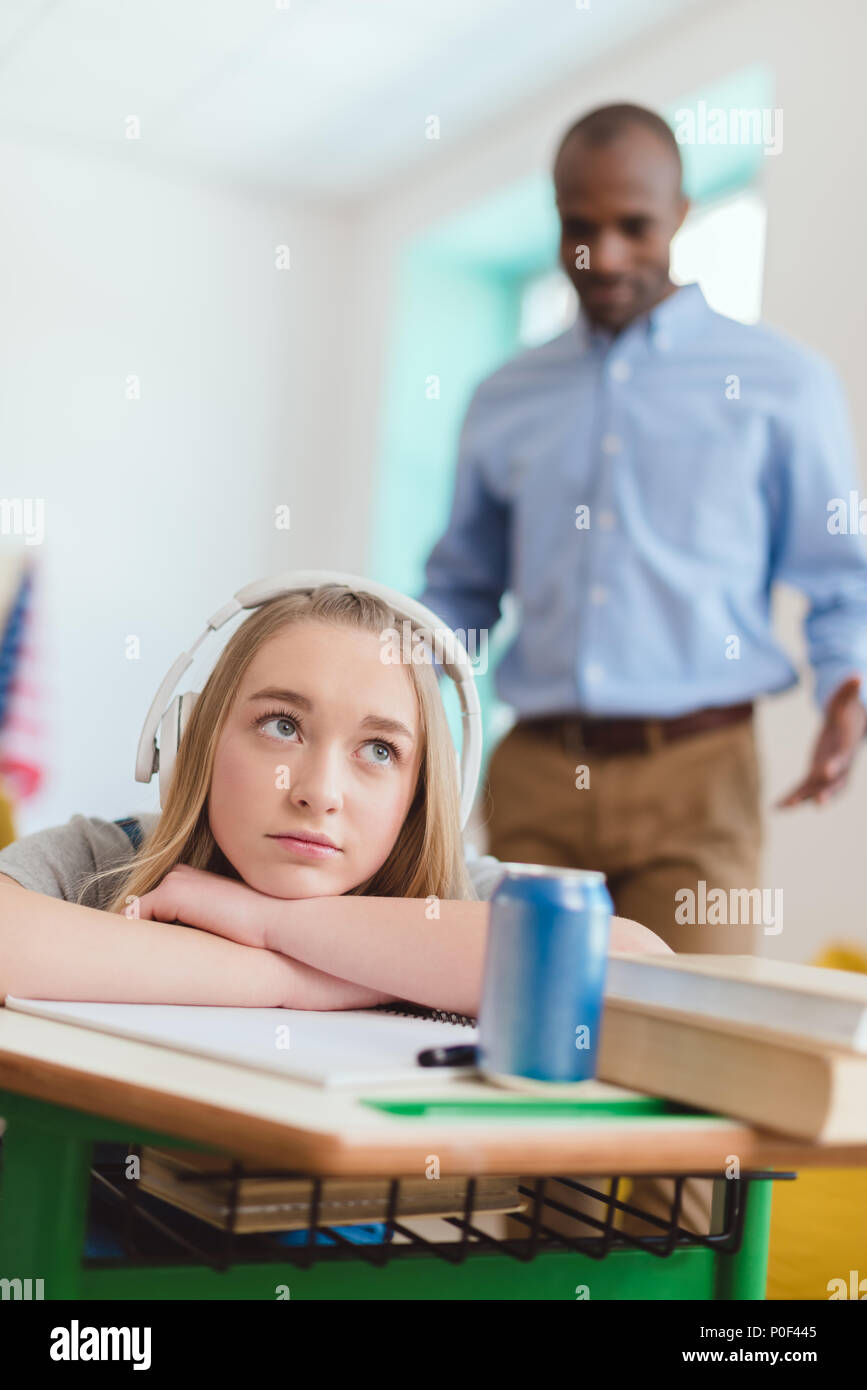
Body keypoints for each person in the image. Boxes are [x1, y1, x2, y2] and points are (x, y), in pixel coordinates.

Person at [0, 582, 669, 1248]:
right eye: (281, 726)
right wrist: (281, 981)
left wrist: (273, 925)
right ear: (195, 740)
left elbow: (626, 963)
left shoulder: (449, 895)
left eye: (378, 750)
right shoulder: (108, 859)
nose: (318, 792)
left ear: (420, 792)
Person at [419, 102, 867, 956]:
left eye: (634, 225)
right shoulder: (503, 397)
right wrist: (388, 686)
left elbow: (841, 577)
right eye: (578, 228)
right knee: (500, 1034)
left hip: (697, 782)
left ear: (681, 215)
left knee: (687, 1053)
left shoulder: (783, 384)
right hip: (536, 778)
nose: (605, 256)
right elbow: (461, 587)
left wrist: (847, 684)